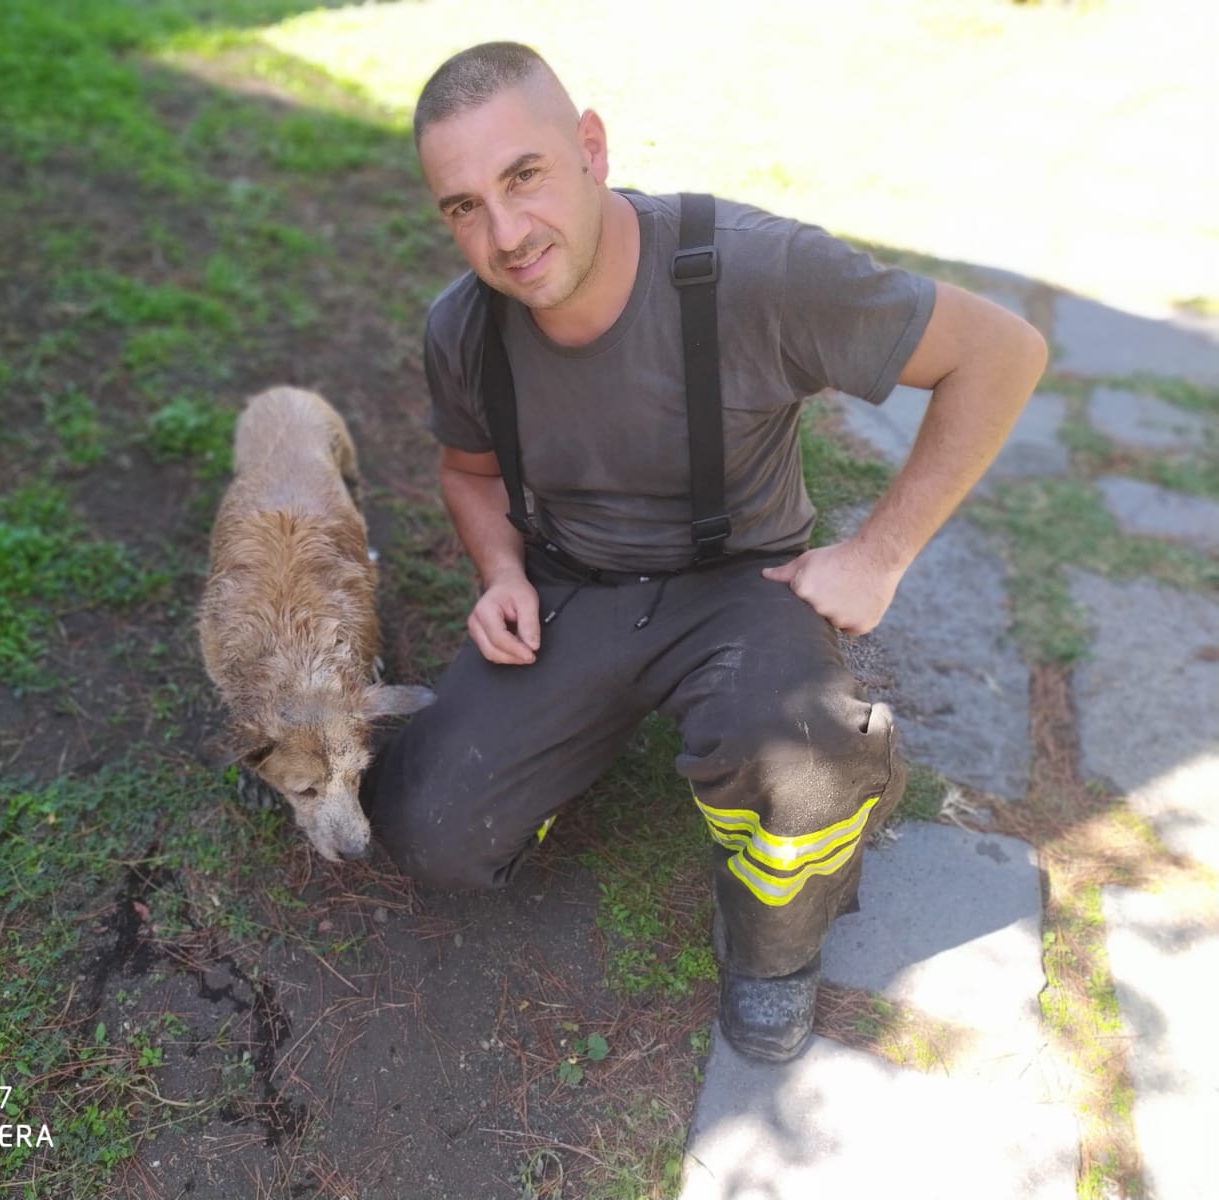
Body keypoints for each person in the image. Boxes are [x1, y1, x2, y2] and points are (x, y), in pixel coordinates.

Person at [362, 41, 1047, 1063]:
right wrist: (502, 574)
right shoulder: (462, 328)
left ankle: (783, 926)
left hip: (741, 586)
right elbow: (467, 473)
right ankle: (579, 732)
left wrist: (879, 550)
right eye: (463, 206)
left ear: (589, 148)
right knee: (426, 830)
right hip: (571, 586)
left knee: (805, 763)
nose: (505, 235)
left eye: (524, 176)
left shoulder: (753, 272)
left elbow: (1001, 351)